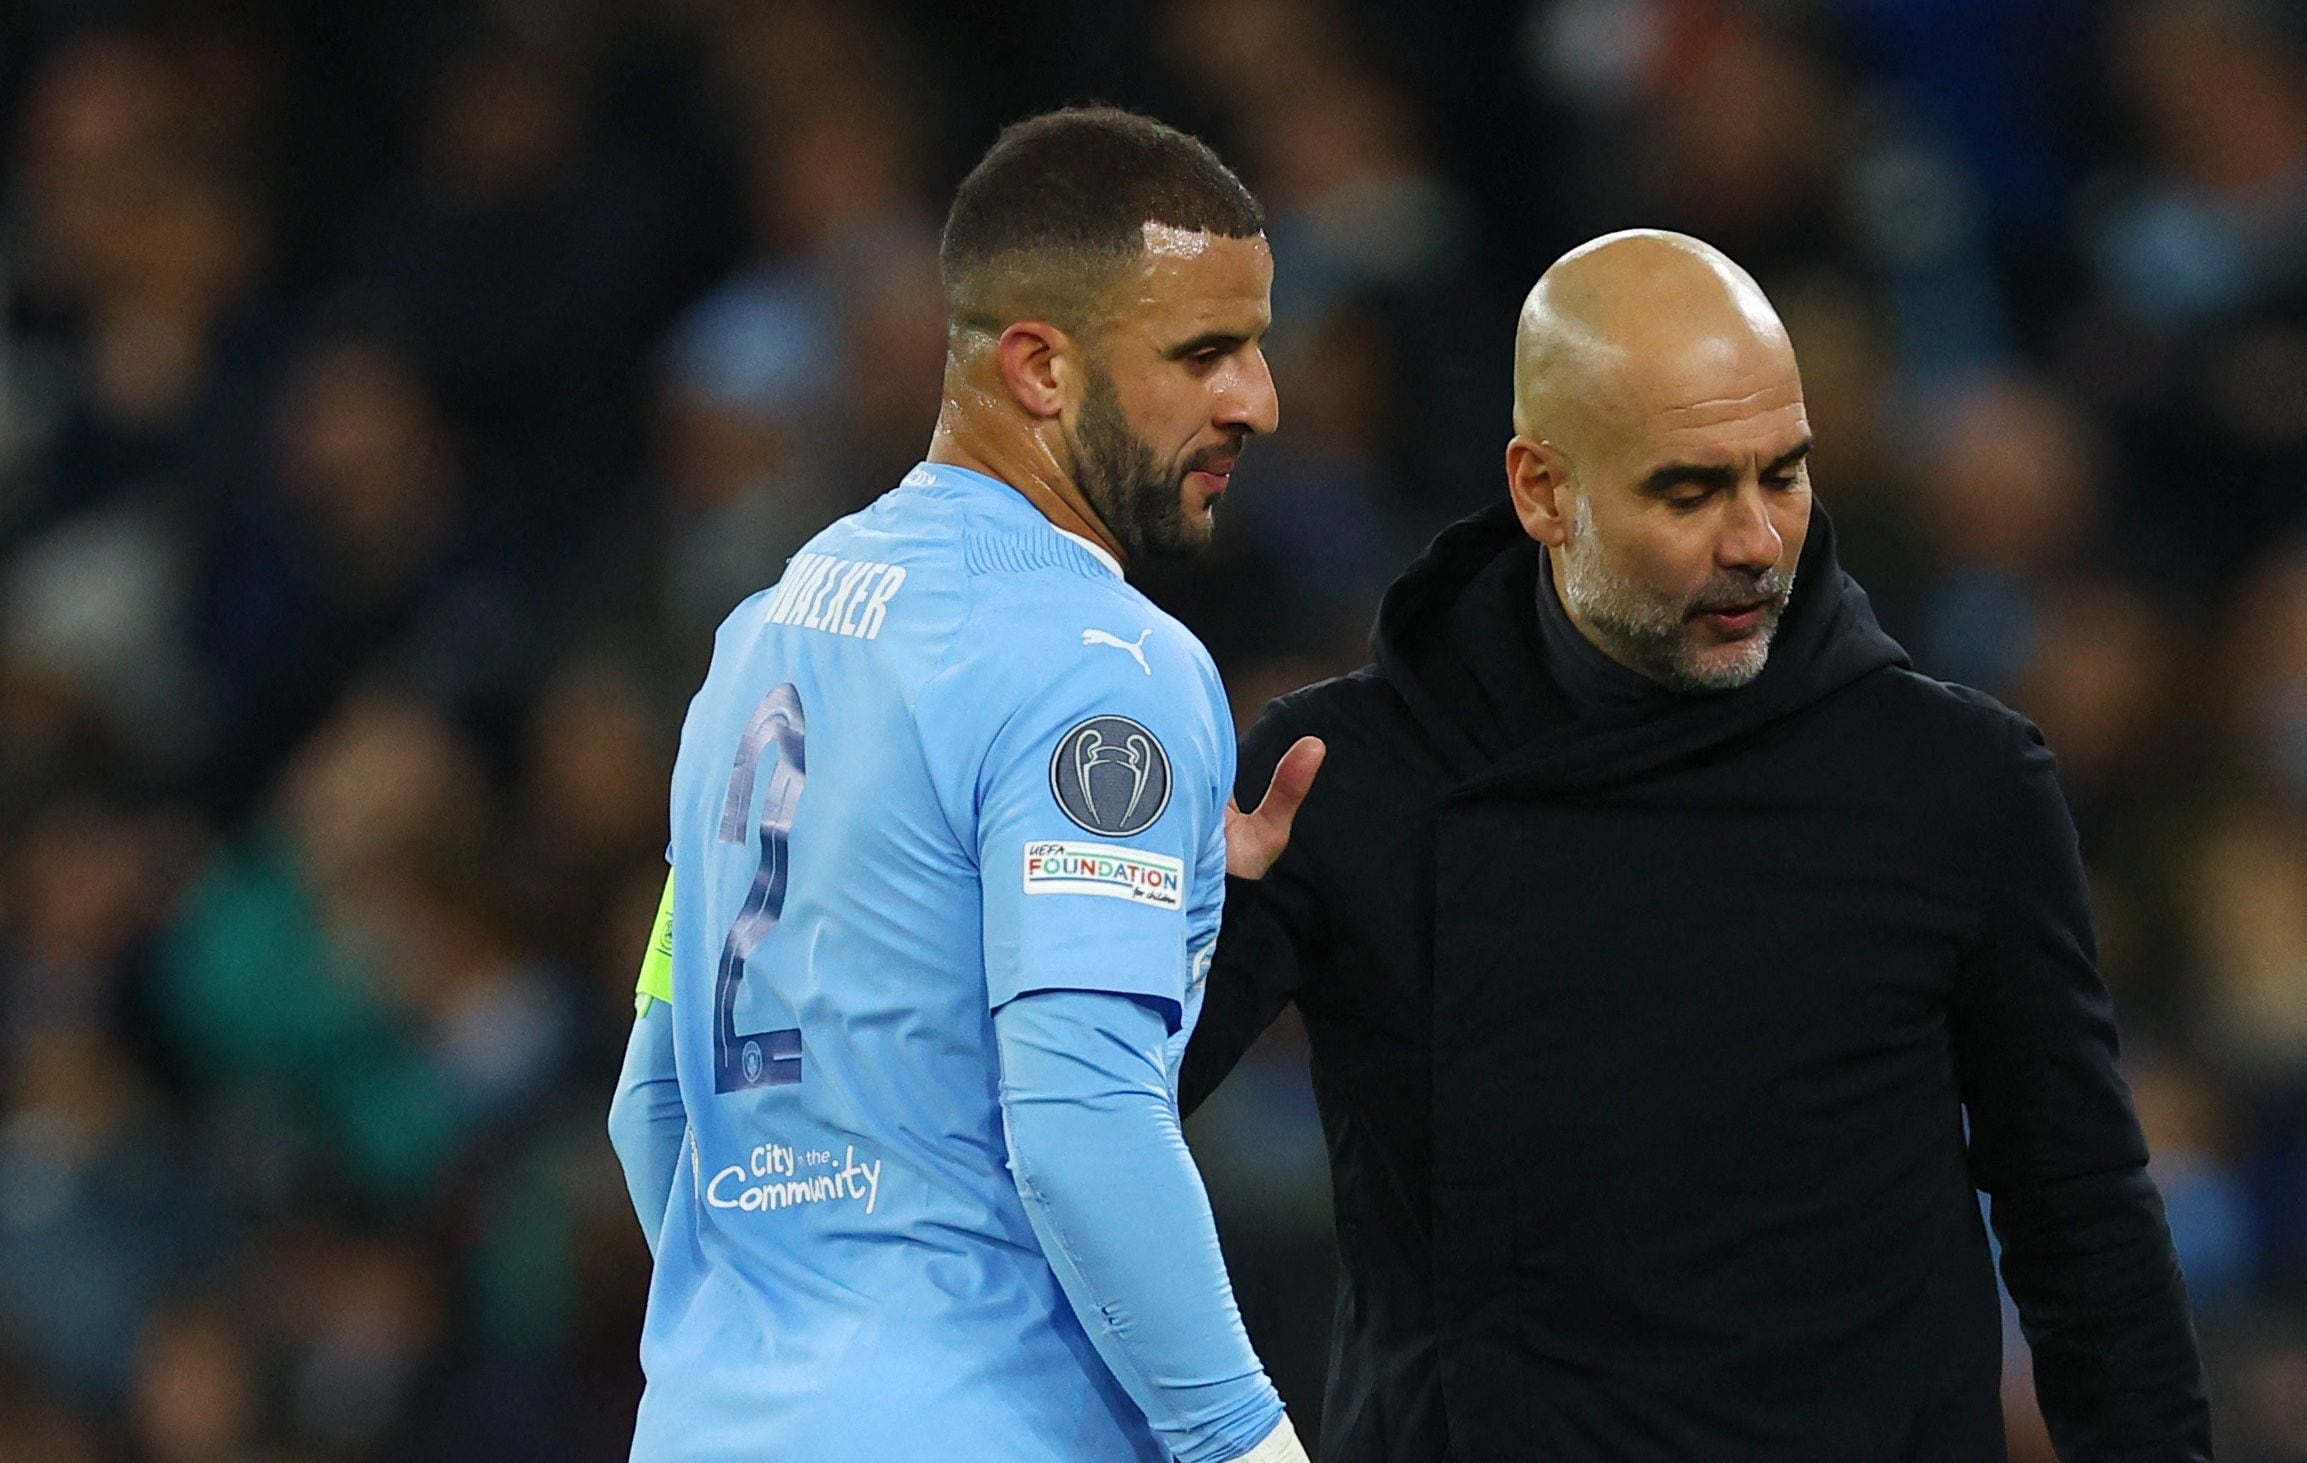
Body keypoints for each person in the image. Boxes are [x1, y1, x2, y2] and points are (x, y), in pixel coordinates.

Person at [1184, 230, 2212, 1461]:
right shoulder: (1340, 779)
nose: (1755, 541)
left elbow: (2081, 1224)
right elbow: (1093, 1110)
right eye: (1689, 489)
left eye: (1781, 474)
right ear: (1540, 489)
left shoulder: (1955, 782)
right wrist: (1169, 931)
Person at [608, 107, 1323, 1463]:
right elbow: (1079, 1120)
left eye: (1259, 343)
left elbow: (658, 1096)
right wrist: (1244, 1437)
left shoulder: (760, 639)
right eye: (1205, 353)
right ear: (1040, 367)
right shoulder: (1101, 659)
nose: (1259, 400)